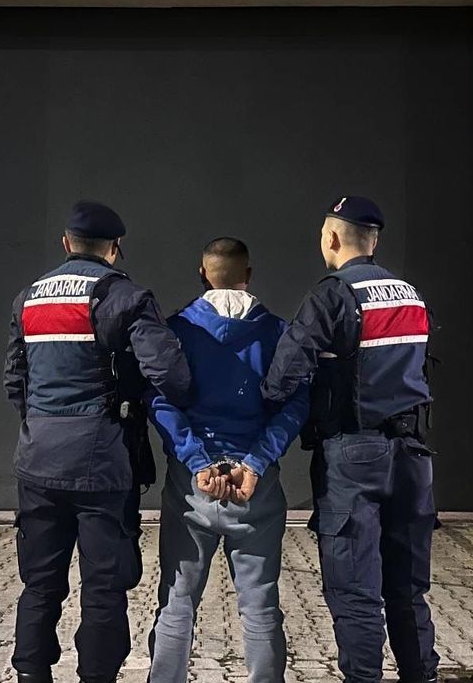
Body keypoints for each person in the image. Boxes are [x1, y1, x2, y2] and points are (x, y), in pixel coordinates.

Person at [2, 200, 192, 683]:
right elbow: (171, 375)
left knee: (39, 584)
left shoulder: (29, 298)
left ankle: (30, 674)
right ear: (115, 247)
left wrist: (43, 423)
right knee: (104, 587)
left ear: (66, 243)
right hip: (102, 464)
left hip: (37, 461)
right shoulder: (125, 297)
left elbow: (14, 381)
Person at [261, 196, 439, 683]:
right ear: (374, 241)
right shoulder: (410, 294)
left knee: (355, 591)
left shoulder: (332, 296)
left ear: (333, 238)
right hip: (413, 456)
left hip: (353, 454)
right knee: (408, 589)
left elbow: (283, 377)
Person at [147, 237, 308, 683]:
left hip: (191, 484)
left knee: (177, 600)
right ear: (248, 275)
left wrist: (198, 462)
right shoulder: (278, 333)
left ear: (202, 274)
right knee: (260, 605)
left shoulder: (176, 331)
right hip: (255, 485)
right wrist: (254, 463)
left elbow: (160, 401)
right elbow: (295, 405)